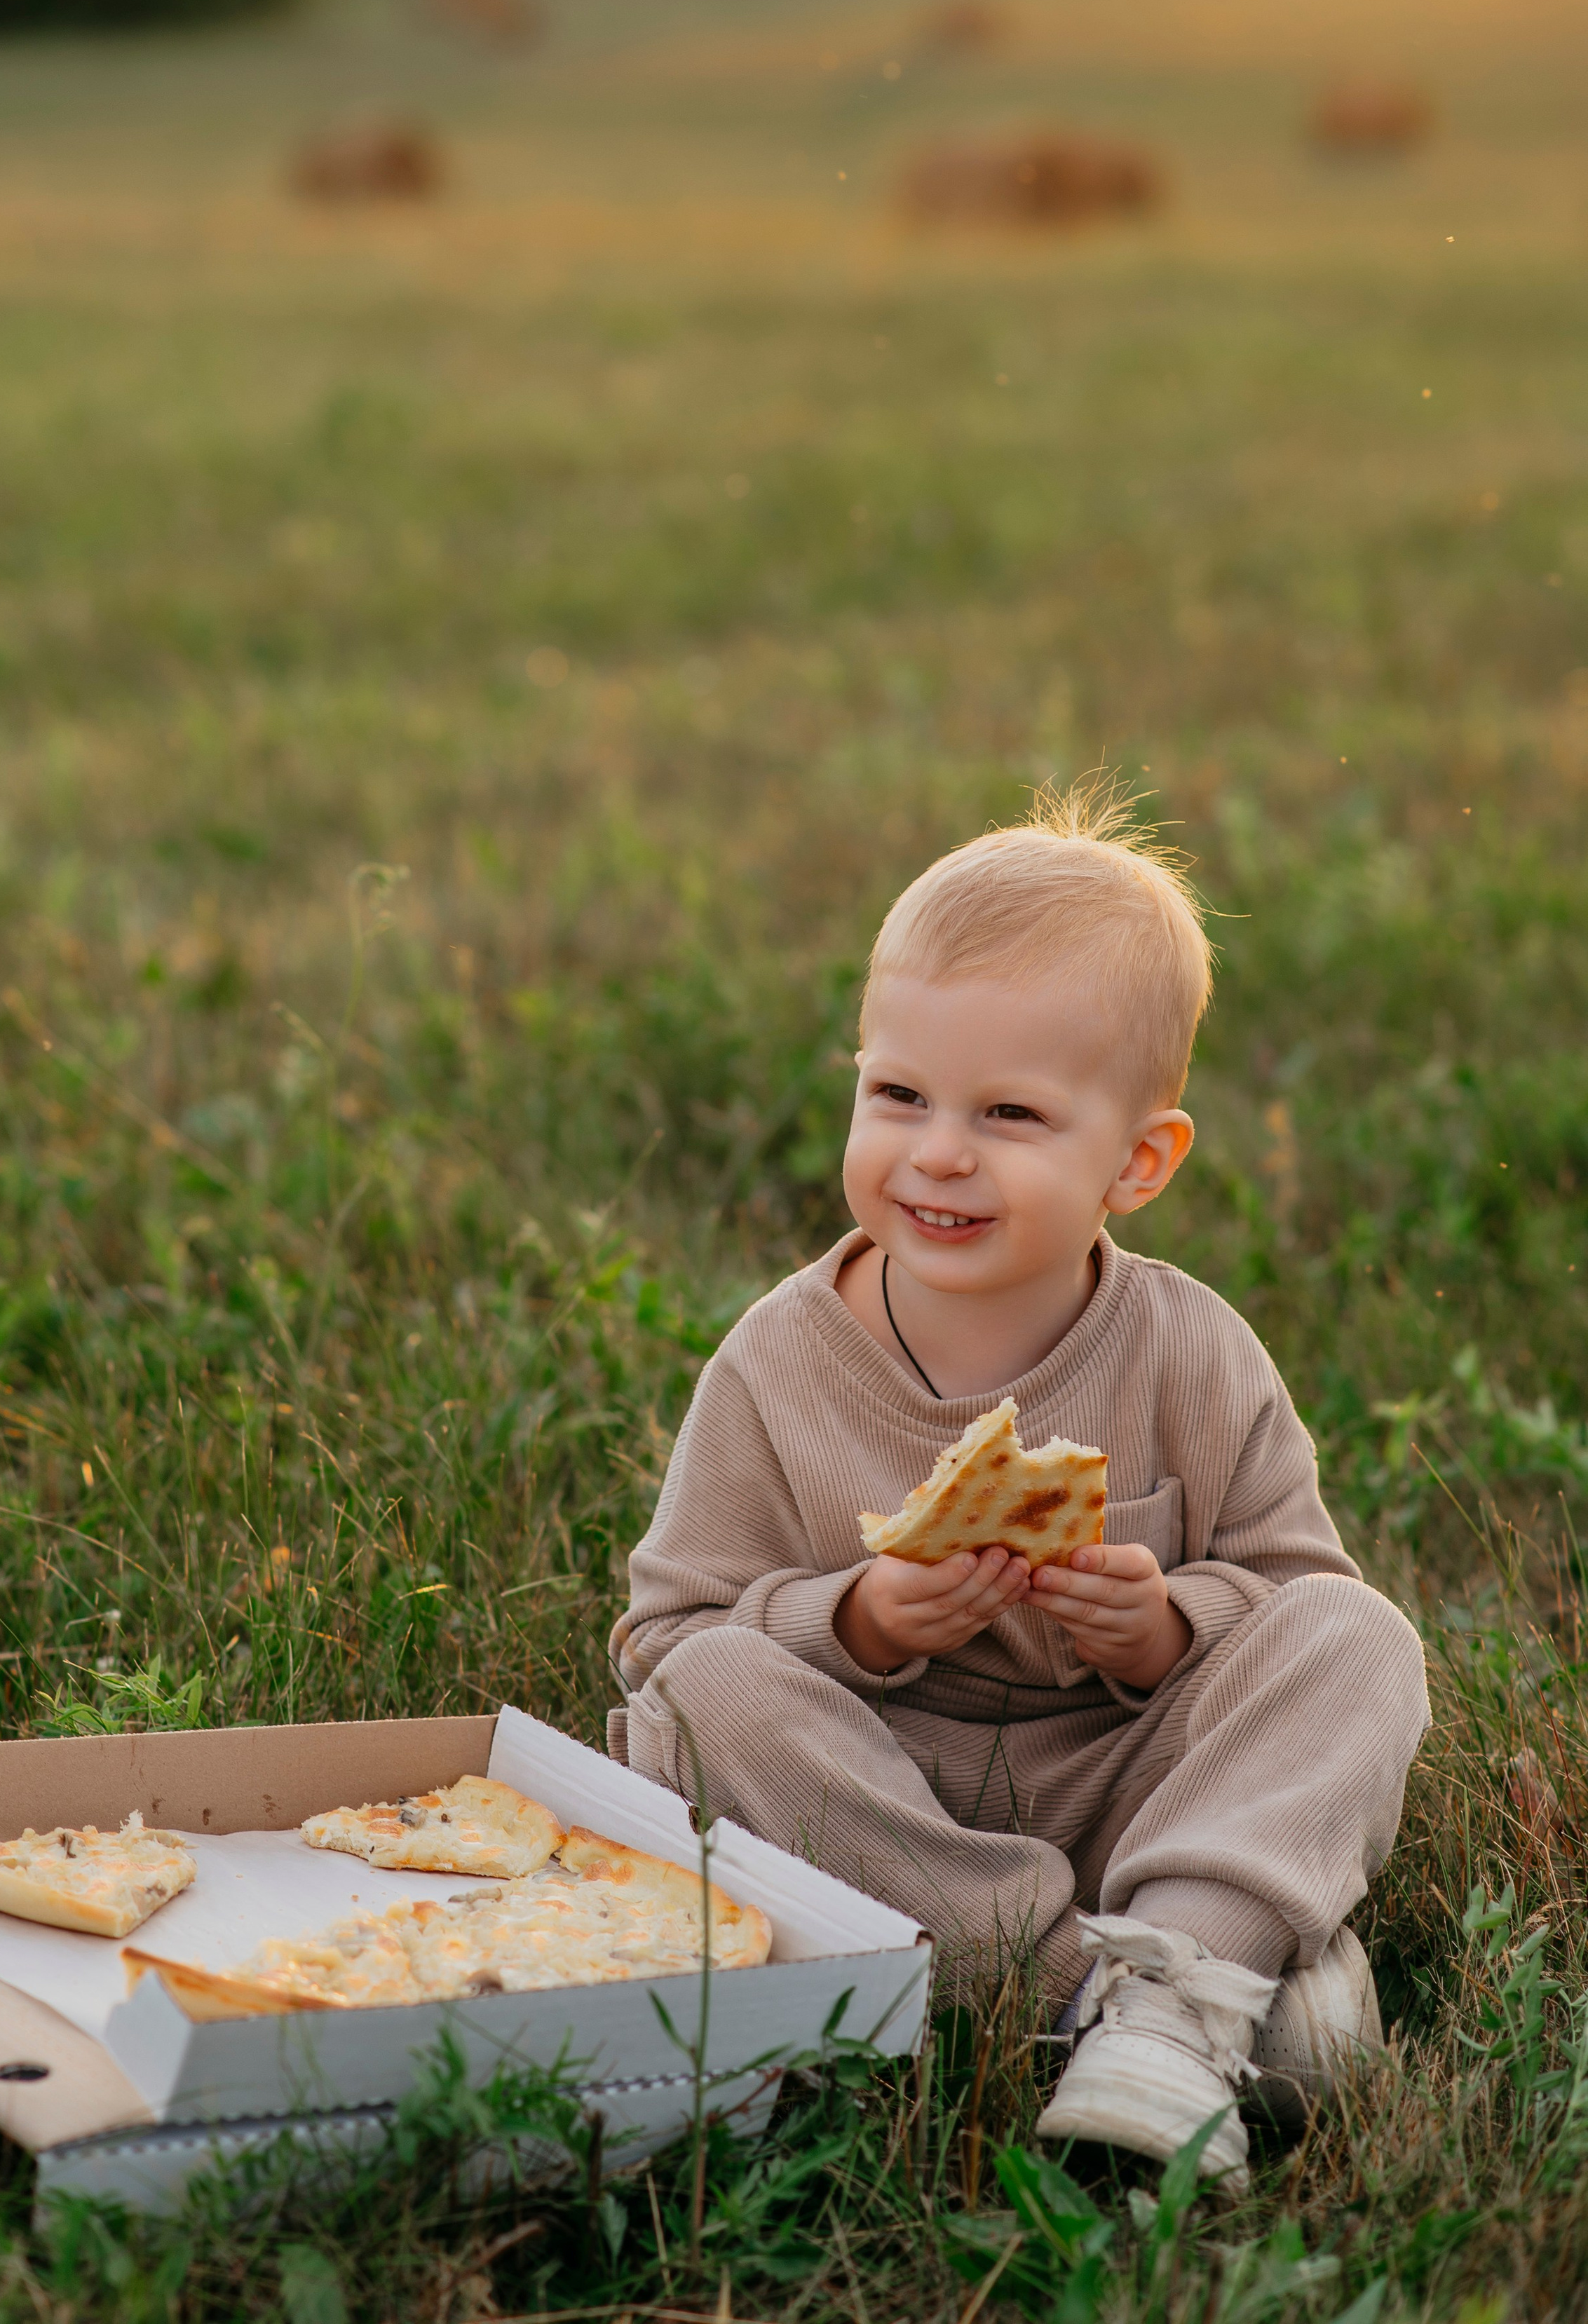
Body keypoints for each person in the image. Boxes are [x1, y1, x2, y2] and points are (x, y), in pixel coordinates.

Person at [609, 782, 1429, 2189]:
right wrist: (857, 1621)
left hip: (1134, 1788)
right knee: (701, 1699)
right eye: (898, 1095)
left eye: (1009, 1113)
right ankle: (1128, 2000)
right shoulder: (775, 1362)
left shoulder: (1191, 1353)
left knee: (1360, 1641)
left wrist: (1164, 1629)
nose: (939, 1150)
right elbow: (663, 1637)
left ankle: (1179, 1966)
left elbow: (1294, 1597)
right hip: (883, 1796)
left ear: (1137, 1162)